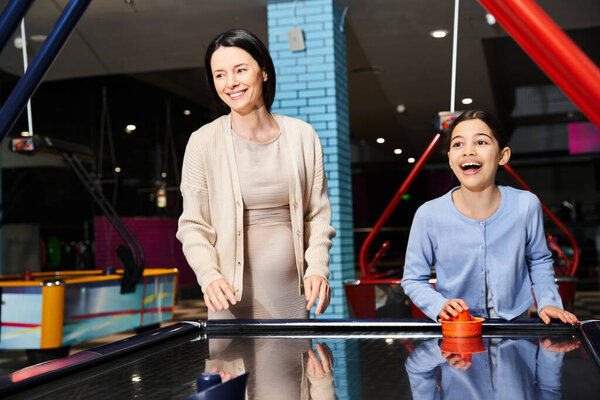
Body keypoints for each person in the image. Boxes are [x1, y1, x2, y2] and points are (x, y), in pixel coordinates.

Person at [176, 29, 336, 319]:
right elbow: (193, 226)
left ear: (263, 71)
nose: (231, 83)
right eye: (220, 75)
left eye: (240, 70)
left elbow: (318, 217)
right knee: (231, 365)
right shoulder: (203, 142)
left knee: (296, 364)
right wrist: (208, 275)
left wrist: (318, 270)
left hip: (291, 295)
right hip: (228, 298)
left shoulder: (302, 136)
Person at [401, 110, 578, 324]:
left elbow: (539, 260)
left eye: (481, 142)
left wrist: (548, 302)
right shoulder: (428, 214)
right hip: (459, 332)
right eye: (458, 144)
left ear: (503, 155)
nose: (468, 151)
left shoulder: (526, 204)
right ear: (449, 159)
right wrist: (439, 305)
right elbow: (413, 279)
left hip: (515, 328)